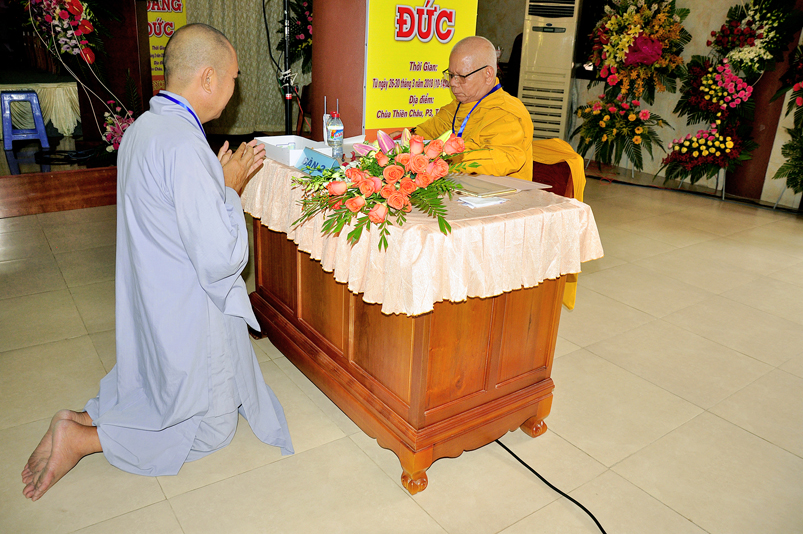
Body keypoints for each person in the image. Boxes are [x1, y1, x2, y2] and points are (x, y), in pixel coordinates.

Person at [21, 23, 293, 502]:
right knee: (212, 430)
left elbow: (170, 216)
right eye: (233, 78)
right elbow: (219, 260)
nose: (234, 89)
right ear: (207, 78)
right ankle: (83, 439)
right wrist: (229, 191)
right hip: (189, 310)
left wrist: (214, 184)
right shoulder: (185, 146)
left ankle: (85, 417)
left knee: (157, 390)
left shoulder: (143, 128)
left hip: (154, 297)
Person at [414, 36, 533, 180]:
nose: (453, 83)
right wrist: (407, 141)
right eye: (451, 75)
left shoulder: (506, 112)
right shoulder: (454, 108)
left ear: (488, 74)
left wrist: (449, 154)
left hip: (498, 191)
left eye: (461, 76)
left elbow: (504, 158)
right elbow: (424, 133)